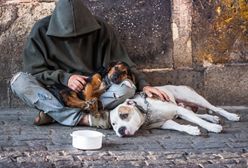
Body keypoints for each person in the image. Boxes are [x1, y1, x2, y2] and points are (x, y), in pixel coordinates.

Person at [10, 0, 169, 129]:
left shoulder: (101, 28)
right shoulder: (40, 30)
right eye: (66, 36)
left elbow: (123, 62)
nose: (74, 39)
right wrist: (66, 78)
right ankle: (86, 120)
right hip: (57, 92)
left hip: (94, 92)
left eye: (80, 35)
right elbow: (34, 72)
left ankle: (55, 113)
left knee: (127, 88)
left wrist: (144, 85)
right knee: (18, 81)